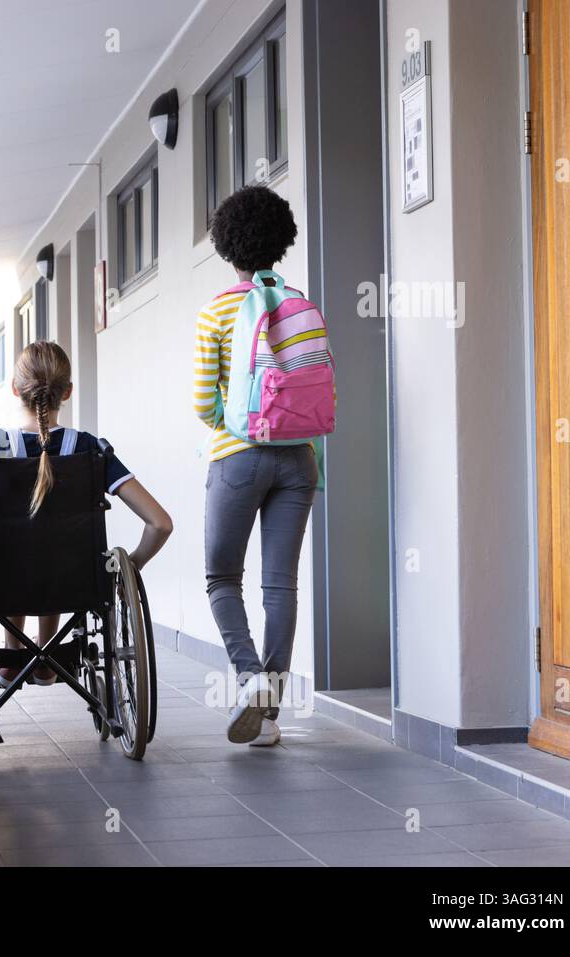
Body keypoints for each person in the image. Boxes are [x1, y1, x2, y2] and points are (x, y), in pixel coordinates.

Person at [0, 341, 172, 684]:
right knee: (56, 551)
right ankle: (48, 655)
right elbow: (160, 524)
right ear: (67, 392)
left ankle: (11, 656)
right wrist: (129, 569)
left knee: (15, 554)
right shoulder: (89, 449)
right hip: (76, 581)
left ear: (14, 389)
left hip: (3, 581)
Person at [194, 185, 319, 748]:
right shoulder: (298, 301)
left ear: (226, 246)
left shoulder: (217, 310)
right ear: (280, 241)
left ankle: (250, 682)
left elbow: (203, 404)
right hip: (299, 457)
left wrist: (238, 420)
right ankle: (268, 716)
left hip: (237, 457)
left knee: (222, 576)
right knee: (280, 584)